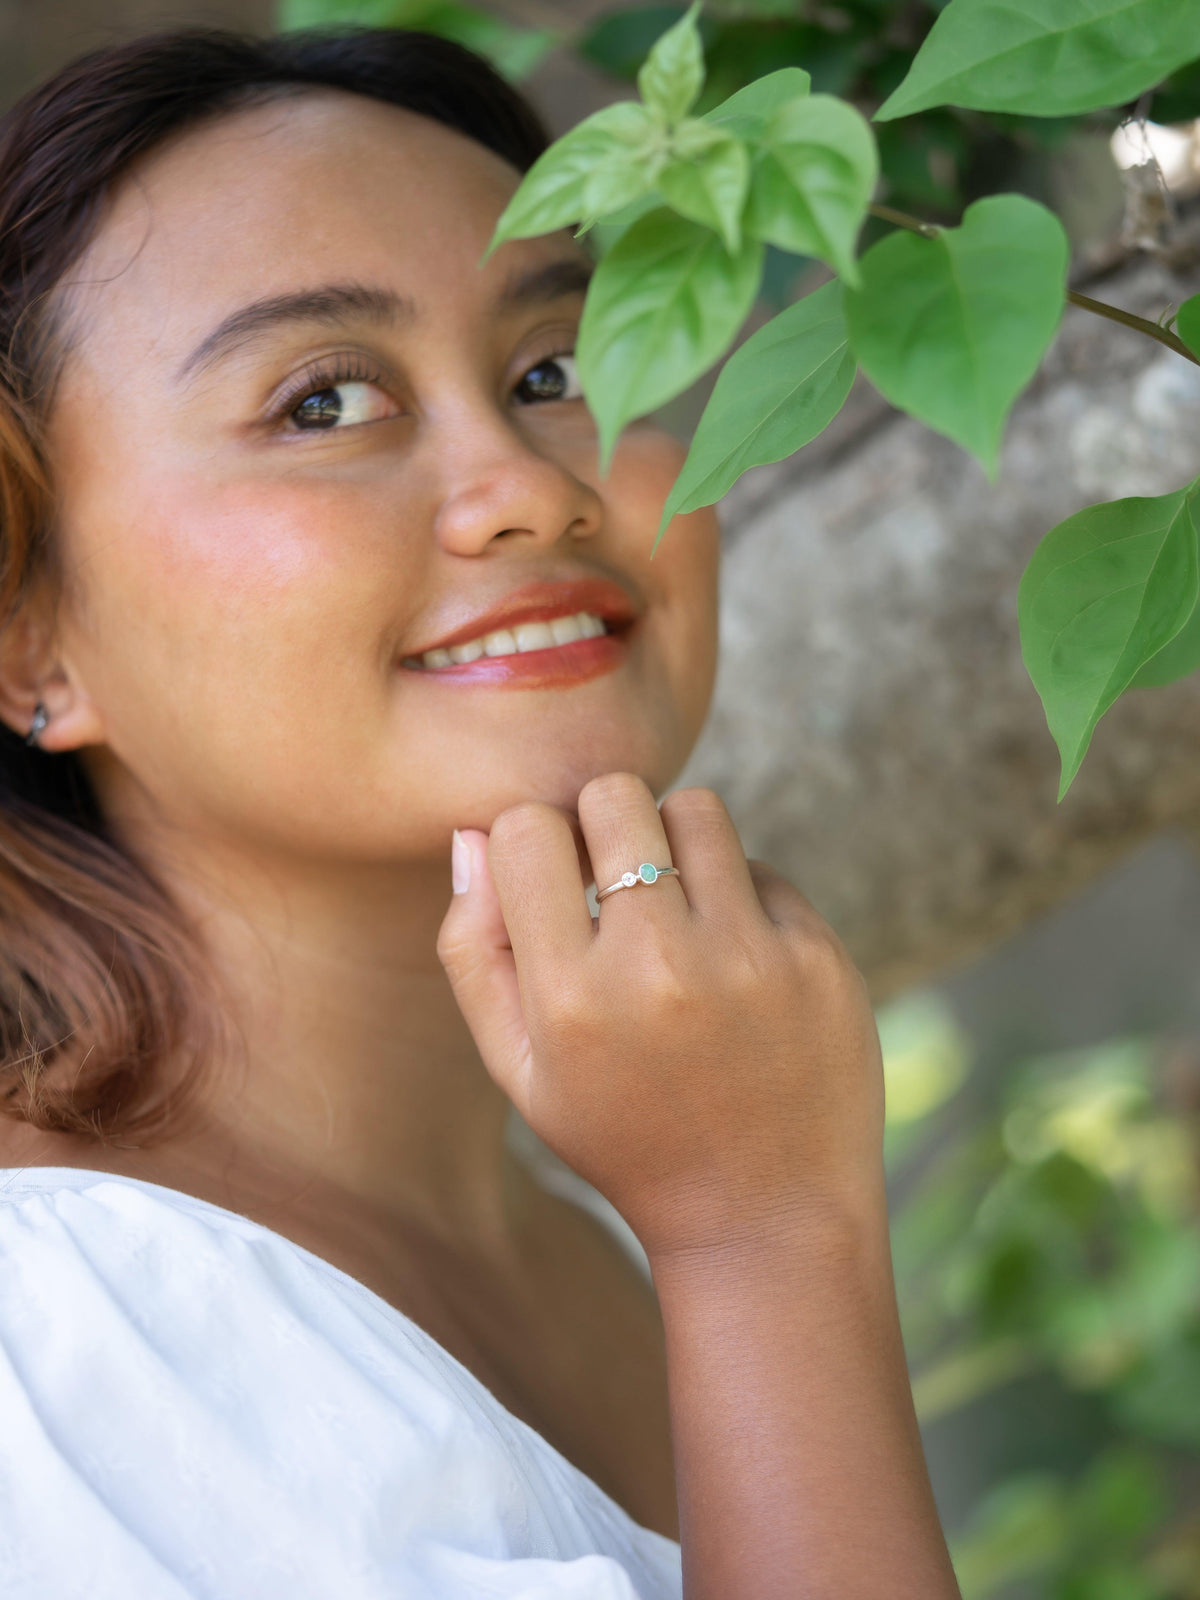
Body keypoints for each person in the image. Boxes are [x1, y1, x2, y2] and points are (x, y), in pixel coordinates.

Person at [0, 26, 959, 1599]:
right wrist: (764, 1241)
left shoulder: (604, 1242)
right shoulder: (56, 1339)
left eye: (555, 373)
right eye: (323, 402)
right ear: (28, 637)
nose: (531, 486)